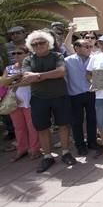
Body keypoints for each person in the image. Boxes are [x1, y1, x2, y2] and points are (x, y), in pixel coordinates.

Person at [20, 30, 77, 172]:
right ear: (30, 46)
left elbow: (61, 72)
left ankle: (65, 152)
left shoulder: (57, 55)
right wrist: (49, 75)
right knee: (42, 127)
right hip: (39, 98)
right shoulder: (28, 60)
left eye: (41, 42)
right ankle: (47, 156)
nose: (38, 45)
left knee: (63, 125)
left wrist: (38, 75)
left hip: (60, 96)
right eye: (35, 44)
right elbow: (26, 77)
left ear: (48, 43)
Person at [1, 45, 40, 161]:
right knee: (18, 127)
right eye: (14, 53)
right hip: (13, 101)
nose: (16, 55)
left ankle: (35, 149)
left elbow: (29, 81)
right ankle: (21, 149)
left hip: (28, 100)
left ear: (27, 54)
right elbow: (3, 83)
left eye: (19, 53)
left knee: (32, 126)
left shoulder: (31, 66)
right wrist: (15, 76)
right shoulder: (9, 68)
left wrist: (12, 83)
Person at [64, 39, 98, 156]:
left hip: (91, 93)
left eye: (90, 46)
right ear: (76, 48)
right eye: (86, 47)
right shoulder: (67, 61)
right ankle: (80, 145)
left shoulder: (95, 59)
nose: (89, 49)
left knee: (92, 119)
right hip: (75, 95)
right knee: (77, 121)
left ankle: (92, 142)